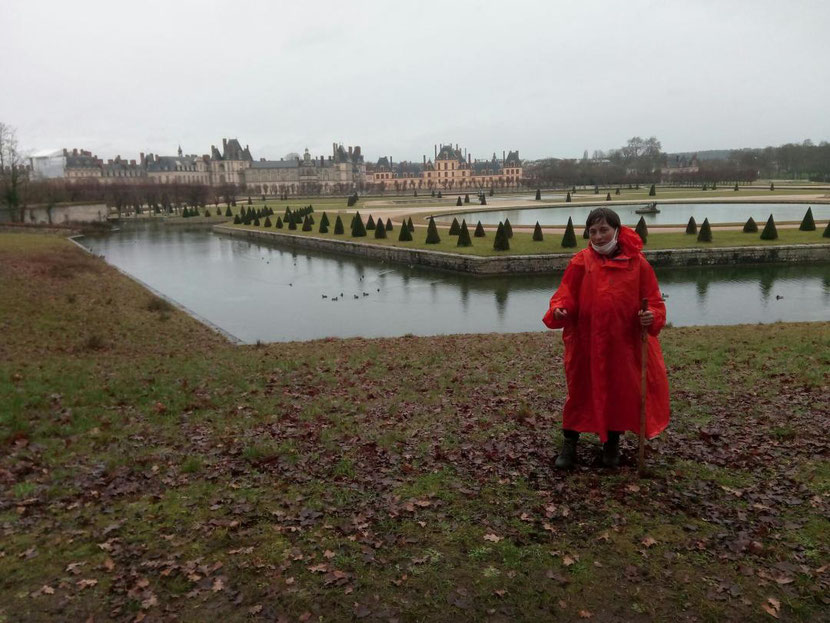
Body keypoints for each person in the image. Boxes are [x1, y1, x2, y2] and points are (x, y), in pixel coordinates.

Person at [542, 207, 670, 469]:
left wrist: (651, 316)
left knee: (617, 391)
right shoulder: (581, 261)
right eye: (593, 231)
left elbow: (654, 302)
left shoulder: (638, 264)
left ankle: (611, 445)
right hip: (586, 341)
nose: (598, 237)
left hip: (623, 344)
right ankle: (570, 444)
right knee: (580, 391)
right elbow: (565, 294)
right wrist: (559, 309)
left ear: (617, 230)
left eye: (604, 230)